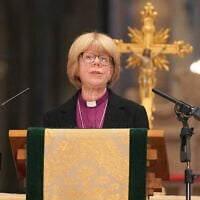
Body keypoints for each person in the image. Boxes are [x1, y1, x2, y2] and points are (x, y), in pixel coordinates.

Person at [43, 32, 149, 129]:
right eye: (89, 57)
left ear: (112, 70)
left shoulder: (134, 114)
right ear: (76, 66)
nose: (97, 62)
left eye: (104, 59)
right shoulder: (54, 118)